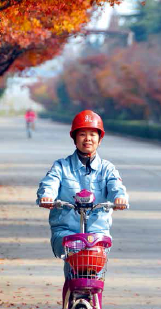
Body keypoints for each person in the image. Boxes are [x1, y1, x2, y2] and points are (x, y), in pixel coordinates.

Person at [36, 109, 128, 262]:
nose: (88, 139)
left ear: (100, 139)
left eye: (93, 134)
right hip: (66, 232)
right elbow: (50, 182)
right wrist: (47, 196)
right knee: (74, 249)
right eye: (82, 134)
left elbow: (116, 186)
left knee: (95, 258)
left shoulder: (107, 169)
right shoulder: (61, 166)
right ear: (75, 138)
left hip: (97, 232)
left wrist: (120, 198)